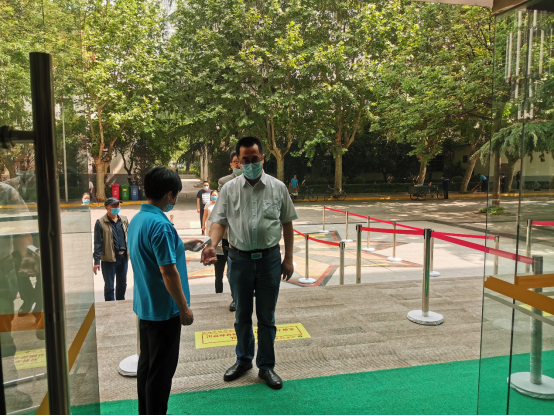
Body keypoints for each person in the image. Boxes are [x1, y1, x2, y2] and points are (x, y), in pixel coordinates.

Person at [202, 136, 298, 391]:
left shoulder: (278, 187)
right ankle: (243, 360)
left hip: (269, 261)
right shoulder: (229, 189)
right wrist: (211, 244)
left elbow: (287, 223)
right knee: (242, 316)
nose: (250, 164)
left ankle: (266, 366)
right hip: (239, 260)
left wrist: (288, 258)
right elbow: (219, 222)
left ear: (262, 158)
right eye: (245, 160)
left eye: (255, 159)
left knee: (267, 317)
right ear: (239, 161)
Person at [128, 167, 202, 416]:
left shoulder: (139, 219)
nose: (175, 199)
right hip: (164, 311)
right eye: (176, 194)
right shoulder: (161, 225)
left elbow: (152, 252)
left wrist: (183, 245)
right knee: (161, 376)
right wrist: (184, 308)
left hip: (146, 307)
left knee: (147, 367)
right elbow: (168, 273)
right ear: (169, 194)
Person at [218, 151, 242, 311]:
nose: (238, 164)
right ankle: (235, 298)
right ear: (231, 165)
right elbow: (223, 207)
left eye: (240, 161)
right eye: (235, 162)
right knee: (232, 268)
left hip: (248, 234)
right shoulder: (224, 182)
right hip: (229, 235)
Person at [93, 198, 130, 302]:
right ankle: (109, 307)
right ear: (107, 208)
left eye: (118, 205)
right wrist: (96, 261)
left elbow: (130, 237)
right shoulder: (100, 222)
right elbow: (97, 243)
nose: (117, 207)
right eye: (114, 206)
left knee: (122, 284)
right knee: (109, 287)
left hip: (123, 257)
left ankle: (120, 305)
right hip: (109, 259)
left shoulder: (124, 220)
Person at [202, 190, 227, 294]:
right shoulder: (214, 222)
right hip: (219, 252)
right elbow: (212, 234)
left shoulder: (230, 217)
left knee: (232, 275)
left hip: (230, 250)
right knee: (219, 275)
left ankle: (234, 296)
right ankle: (219, 294)